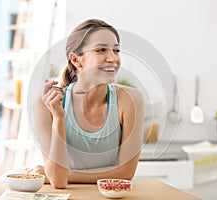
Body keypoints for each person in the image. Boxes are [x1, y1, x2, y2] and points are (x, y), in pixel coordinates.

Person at [28, 19, 144, 189]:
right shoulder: (46, 104)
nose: (113, 58)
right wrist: (59, 118)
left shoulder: (130, 99)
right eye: (101, 50)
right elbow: (58, 182)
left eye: (116, 50)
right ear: (76, 59)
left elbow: (126, 173)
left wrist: (65, 173)